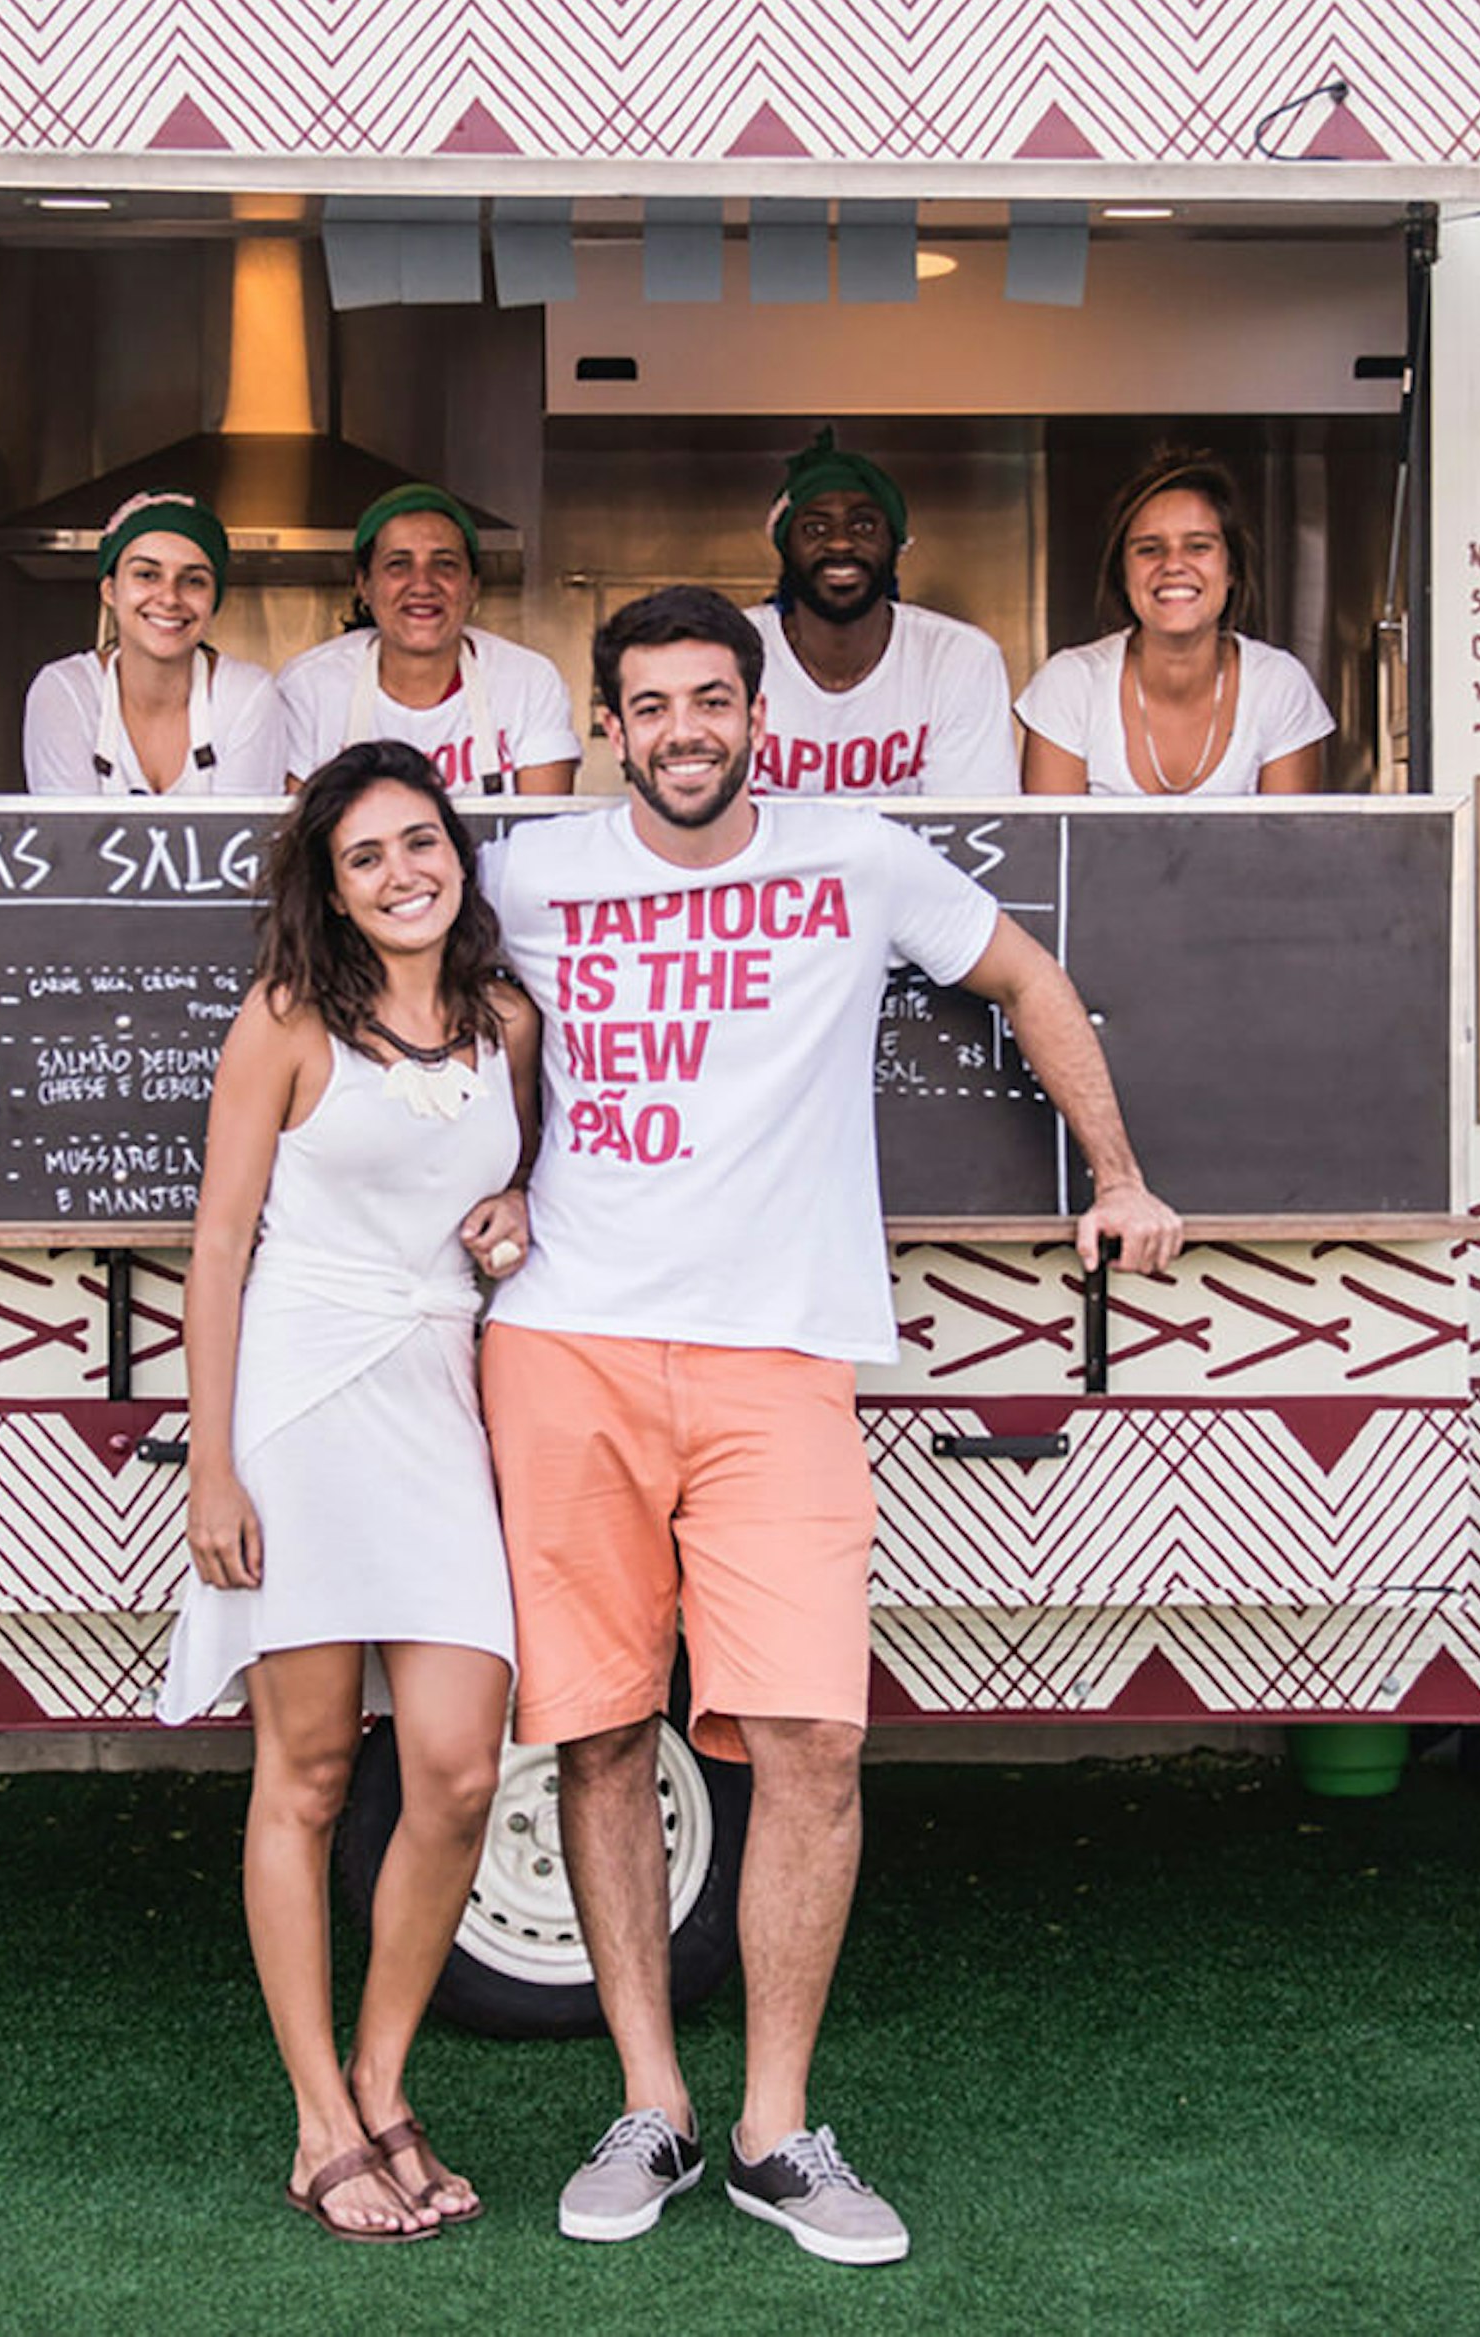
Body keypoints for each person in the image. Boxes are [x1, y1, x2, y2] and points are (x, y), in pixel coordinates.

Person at [467, 587, 1182, 2267]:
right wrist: (475, 1183)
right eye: (652, 706)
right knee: (592, 1734)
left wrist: (1124, 1174)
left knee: (815, 1744)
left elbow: (1027, 976)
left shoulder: (858, 859)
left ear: (756, 713)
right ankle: (653, 2100)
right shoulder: (528, 869)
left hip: (782, 1356)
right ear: (613, 723)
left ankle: (778, 2129)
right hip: (565, 1343)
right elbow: (425, 1022)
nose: (687, 731)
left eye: (714, 699)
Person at [160, 740, 543, 2242]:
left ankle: (386, 2080)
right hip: (304, 1405)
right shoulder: (284, 1023)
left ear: (459, 853)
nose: (403, 872)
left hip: (442, 1404)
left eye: (421, 841)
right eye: (366, 855)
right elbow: (217, 1245)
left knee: (454, 1763)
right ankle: (321, 2121)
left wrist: (521, 1205)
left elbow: (536, 1178)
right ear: (329, 887)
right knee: (309, 1774)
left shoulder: (507, 1018)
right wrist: (210, 1458)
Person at [1018, 448, 1334, 796]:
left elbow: (1291, 848)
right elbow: (1053, 848)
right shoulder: (1069, 685)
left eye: (1198, 547)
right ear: (1123, 574)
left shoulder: (1279, 685)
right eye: (1149, 549)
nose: (1173, 565)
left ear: (1230, 569)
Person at [741, 428, 1020, 798]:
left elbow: (970, 834)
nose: (840, 542)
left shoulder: (958, 658)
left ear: (895, 544)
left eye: (863, 525)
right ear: (785, 548)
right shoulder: (727, 649)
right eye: (815, 528)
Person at [275, 483, 581, 796]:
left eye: (445, 564)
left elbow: (545, 832)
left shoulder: (529, 682)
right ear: (364, 585)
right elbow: (294, 835)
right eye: (398, 564)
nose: (422, 584)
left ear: (472, 586)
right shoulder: (308, 687)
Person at [21, 490, 288, 795]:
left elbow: (242, 840)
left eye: (194, 580)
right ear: (110, 590)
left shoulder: (247, 696)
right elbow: (69, 838)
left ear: (214, 600)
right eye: (147, 574)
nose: (170, 598)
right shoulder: (65, 691)